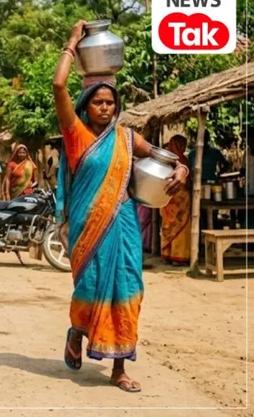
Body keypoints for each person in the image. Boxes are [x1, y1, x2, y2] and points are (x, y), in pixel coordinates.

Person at [53, 21, 188, 393]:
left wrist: (182, 168)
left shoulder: (127, 137)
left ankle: (118, 369)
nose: (104, 107)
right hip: (88, 228)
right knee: (89, 290)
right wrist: (72, 42)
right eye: (98, 101)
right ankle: (77, 332)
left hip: (124, 224)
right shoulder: (76, 134)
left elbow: (164, 157)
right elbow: (59, 86)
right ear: (86, 104)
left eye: (110, 102)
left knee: (128, 291)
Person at [160, 135, 192, 265]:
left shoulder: (165, 160)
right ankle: (178, 256)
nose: (184, 147)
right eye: (182, 145)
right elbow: (188, 181)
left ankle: (167, 254)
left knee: (168, 226)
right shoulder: (182, 161)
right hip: (181, 199)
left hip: (166, 198)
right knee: (181, 226)